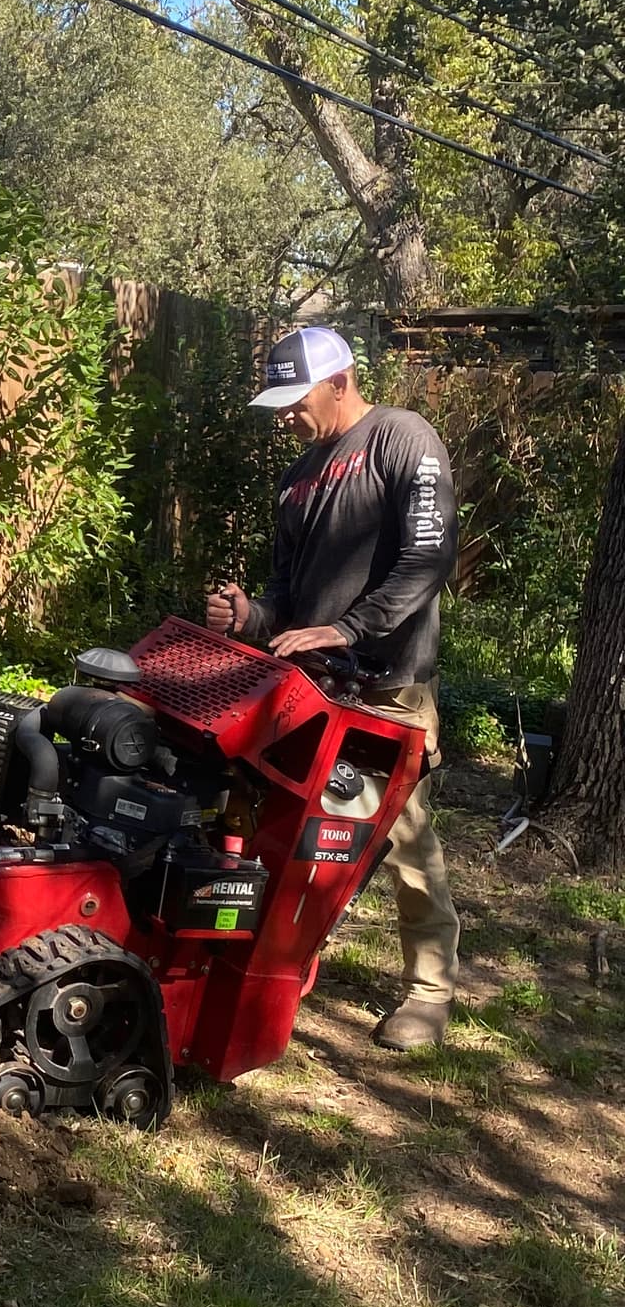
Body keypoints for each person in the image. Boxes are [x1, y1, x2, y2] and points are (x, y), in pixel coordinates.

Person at [207, 324, 461, 1050]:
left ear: (341, 382)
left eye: (297, 400)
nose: (287, 416)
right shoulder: (298, 480)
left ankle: (429, 992)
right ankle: (272, 953)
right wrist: (250, 614)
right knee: (279, 826)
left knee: (403, 839)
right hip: (311, 691)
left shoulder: (402, 439)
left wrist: (348, 630)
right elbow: (288, 600)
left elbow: (427, 559)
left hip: (387, 688)